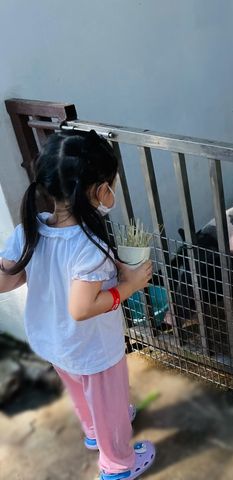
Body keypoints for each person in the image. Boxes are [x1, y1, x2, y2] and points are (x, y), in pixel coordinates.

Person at [0, 130, 156, 479]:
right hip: (92, 349)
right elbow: (82, 308)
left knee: (81, 392)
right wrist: (128, 286)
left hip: (53, 342)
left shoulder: (32, 228)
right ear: (100, 190)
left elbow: (5, 280)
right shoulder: (89, 247)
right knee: (112, 405)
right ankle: (118, 464)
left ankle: (92, 432)